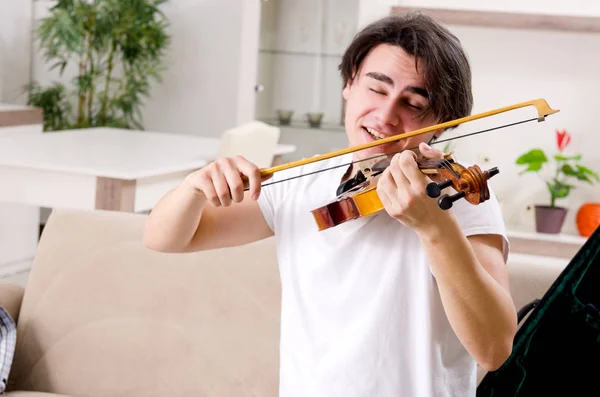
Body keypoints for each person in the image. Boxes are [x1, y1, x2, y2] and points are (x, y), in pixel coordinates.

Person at [143, 11, 517, 397]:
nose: (386, 116)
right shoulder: (301, 182)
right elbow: (164, 238)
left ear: (439, 124)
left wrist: (434, 229)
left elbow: (494, 349)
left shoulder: (456, 198)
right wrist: (193, 188)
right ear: (349, 84)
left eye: (413, 103)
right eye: (377, 89)